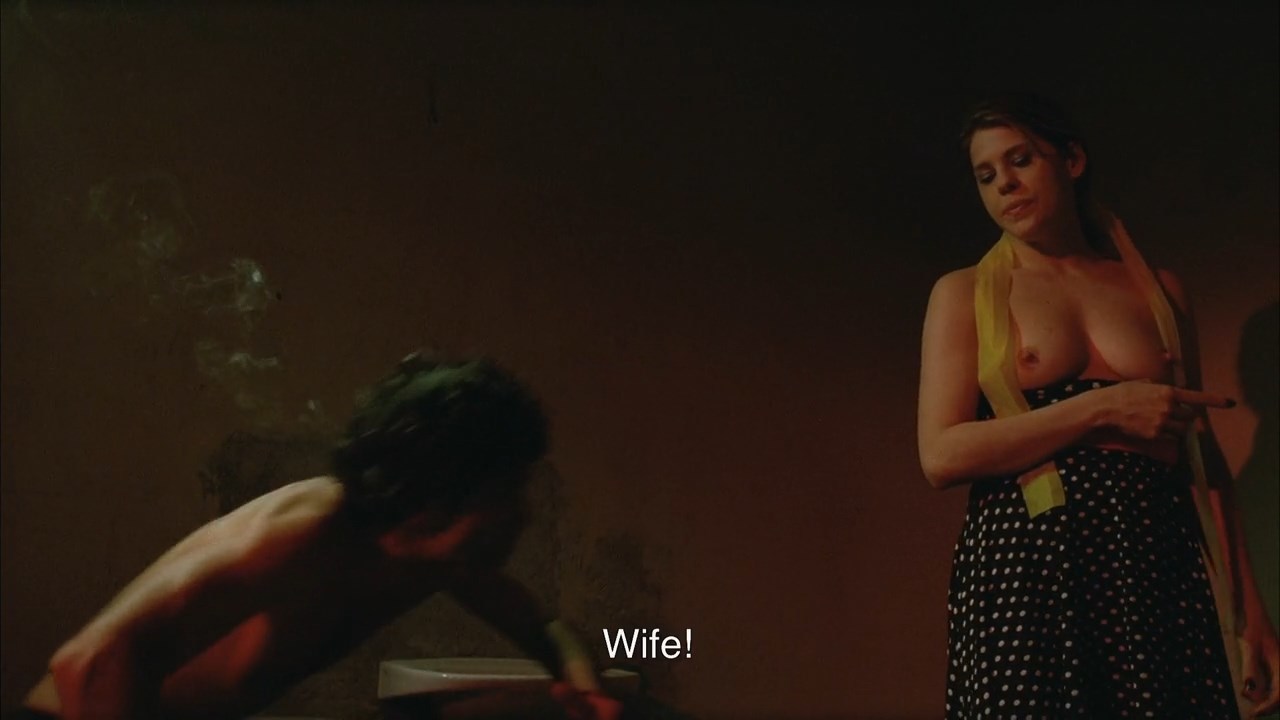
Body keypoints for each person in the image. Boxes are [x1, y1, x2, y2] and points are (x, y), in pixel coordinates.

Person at [917, 93, 1279, 717]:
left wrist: (1252, 620)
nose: (1005, 184)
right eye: (986, 175)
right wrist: (1100, 410)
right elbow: (941, 454)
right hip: (1030, 564)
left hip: (1152, 555)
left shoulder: (1158, 291)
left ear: (1072, 160)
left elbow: (1202, 459)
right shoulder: (965, 293)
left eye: (1021, 160)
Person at [19, 352, 622, 720]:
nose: (522, 513)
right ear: (445, 489)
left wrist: (586, 693)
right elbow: (90, 660)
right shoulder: (309, 527)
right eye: (507, 490)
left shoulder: (432, 560)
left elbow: (545, 627)